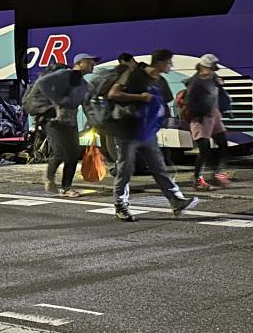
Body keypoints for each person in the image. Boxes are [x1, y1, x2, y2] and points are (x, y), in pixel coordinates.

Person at [107, 48, 199, 221]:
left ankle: (176, 201)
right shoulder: (134, 75)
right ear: (160, 62)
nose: (171, 65)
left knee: (159, 168)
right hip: (128, 130)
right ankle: (120, 205)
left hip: (148, 131)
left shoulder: (161, 81)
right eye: (169, 62)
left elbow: (163, 104)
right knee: (125, 169)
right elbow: (113, 94)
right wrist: (140, 97)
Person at [41, 53, 99, 197]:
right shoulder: (64, 74)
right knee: (60, 152)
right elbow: (43, 83)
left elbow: (87, 106)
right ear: (79, 63)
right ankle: (48, 177)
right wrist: (57, 100)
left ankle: (67, 188)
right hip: (54, 121)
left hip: (70, 123)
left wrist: (93, 122)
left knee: (73, 155)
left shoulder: (85, 85)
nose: (93, 65)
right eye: (89, 62)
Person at [184, 53, 232, 190]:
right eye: (211, 68)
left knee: (223, 145)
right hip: (200, 119)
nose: (213, 71)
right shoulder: (194, 82)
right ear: (203, 67)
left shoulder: (213, 78)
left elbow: (219, 93)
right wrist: (203, 111)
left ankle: (217, 174)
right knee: (204, 149)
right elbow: (190, 104)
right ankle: (198, 180)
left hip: (214, 116)